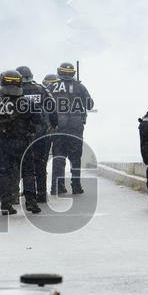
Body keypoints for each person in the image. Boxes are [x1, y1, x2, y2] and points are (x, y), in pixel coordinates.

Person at [0, 70, 39, 215]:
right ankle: (31, 202)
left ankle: (6, 204)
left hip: (4, 142)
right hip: (24, 141)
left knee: (4, 173)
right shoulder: (27, 102)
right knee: (28, 172)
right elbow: (38, 121)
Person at [48, 62, 94, 195]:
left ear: (59, 72)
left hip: (58, 127)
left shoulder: (52, 86)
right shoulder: (79, 86)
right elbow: (90, 104)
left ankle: (57, 187)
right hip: (75, 128)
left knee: (58, 157)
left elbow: (46, 106)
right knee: (75, 158)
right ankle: (76, 186)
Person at [18, 65, 57, 204]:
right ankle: (41, 194)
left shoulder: (14, 91)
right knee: (40, 164)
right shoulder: (41, 89)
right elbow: (52, 107)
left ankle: (18, 193)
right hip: (40, 132)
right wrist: (54, 124)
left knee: (20, 164)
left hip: (20, 132)